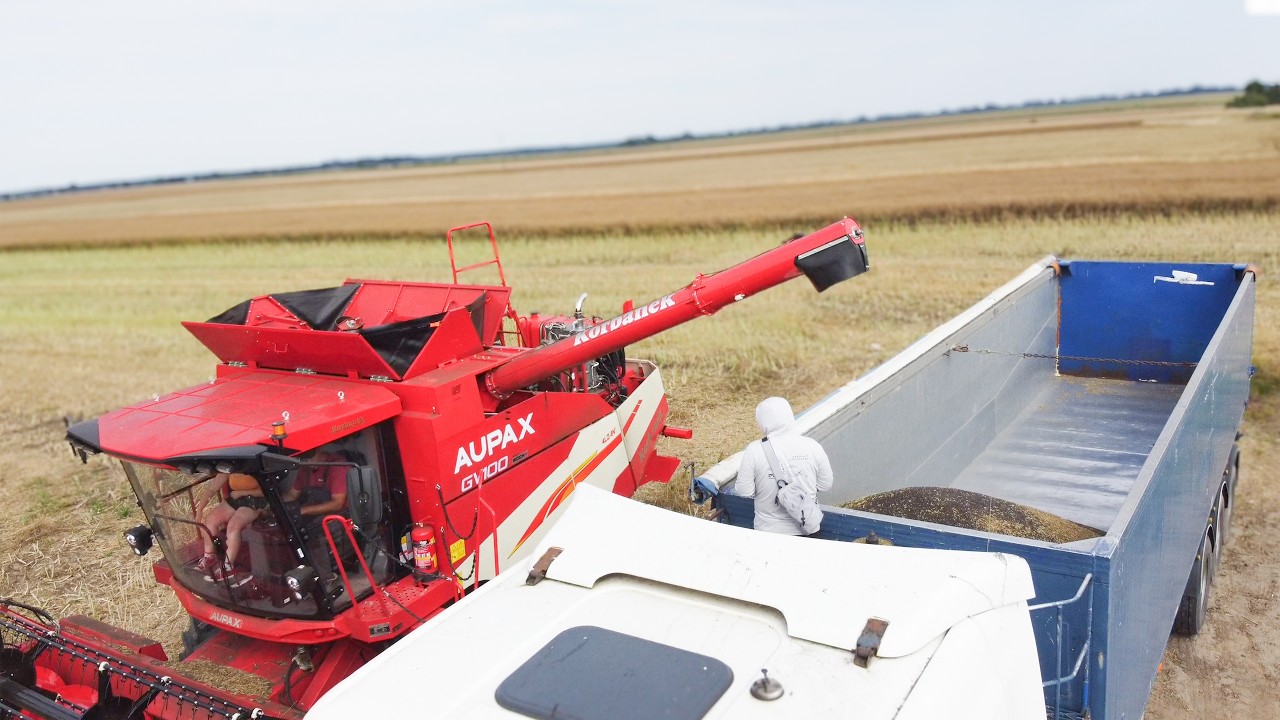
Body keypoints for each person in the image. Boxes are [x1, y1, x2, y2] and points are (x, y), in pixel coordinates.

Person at [734, 397, 834, 536]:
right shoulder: (813, 446)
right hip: (809, 528)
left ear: (762, 422)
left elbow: (744, 491)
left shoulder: (755, 450)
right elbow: (825, 485)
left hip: (769, 531)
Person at [193, 472, 267, 586]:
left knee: (233, 525)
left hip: (256, 500)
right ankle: (210, 556)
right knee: (210, 520)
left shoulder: (252, 464)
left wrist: (241, 493)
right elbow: (212, 489)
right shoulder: (229, 467)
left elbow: (265, 491)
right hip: (236, 498)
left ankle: (228, 567)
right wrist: (199, 510)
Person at [283, 447, 349, 521]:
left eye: (310, 456)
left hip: (338, 518)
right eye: (304, 458)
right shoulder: (305, 468)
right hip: (314, 516)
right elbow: (292, 494)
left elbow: (337, 504)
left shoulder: (337, 466)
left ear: (319, 449)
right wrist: (278, 507)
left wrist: (302, 510)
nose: (308, 461)